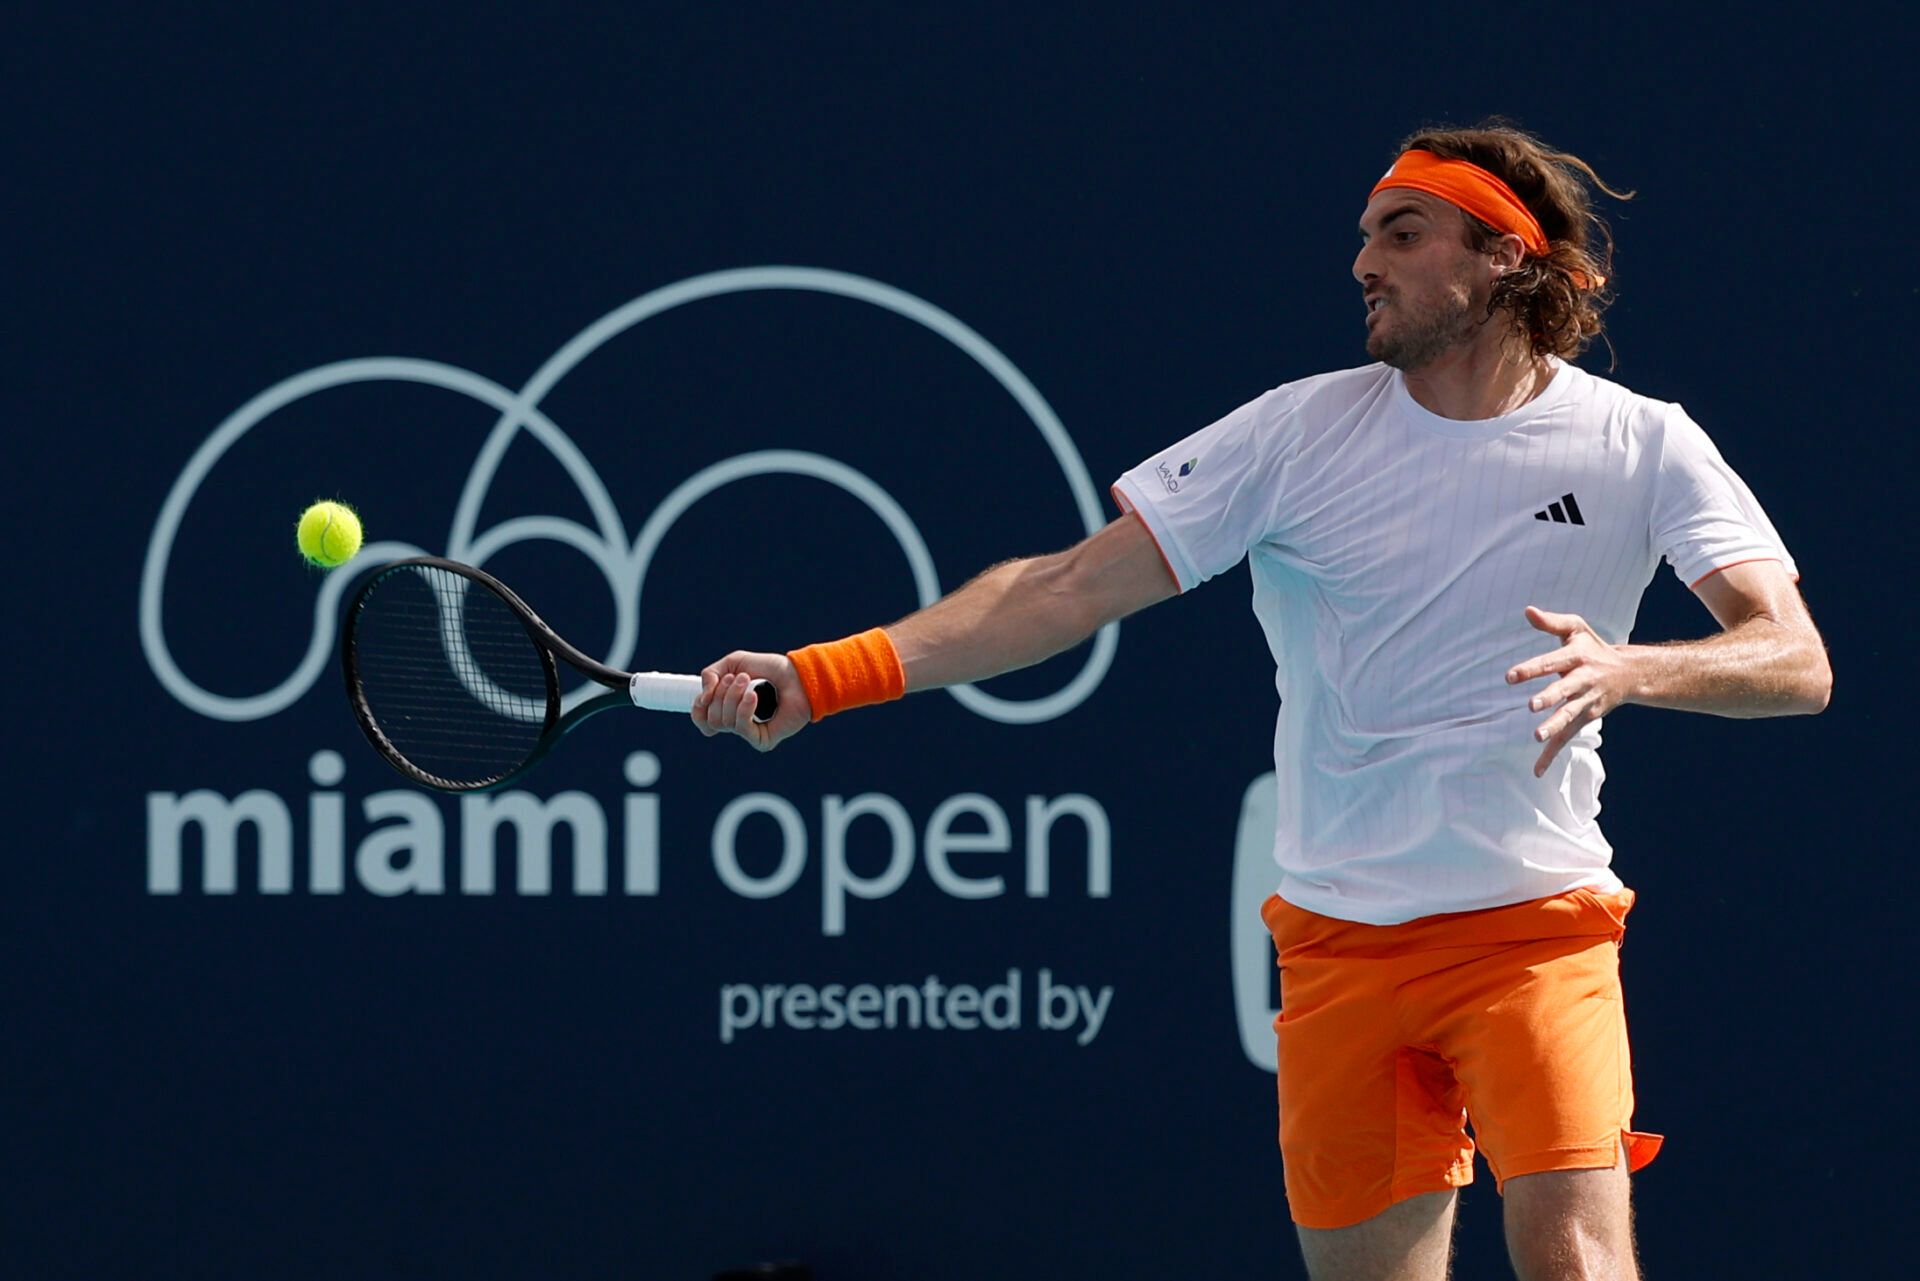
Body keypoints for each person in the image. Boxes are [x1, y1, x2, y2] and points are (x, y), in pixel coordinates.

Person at [689, 122, 1831, 1281]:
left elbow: (1795, 659)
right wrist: (825, 675)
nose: (1363, 264)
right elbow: (1065, 586)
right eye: (1364, 237)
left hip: (1535, 936)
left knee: (1578, 1262)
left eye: (1403, 232)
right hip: (1341, 947)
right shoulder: (1297, 434)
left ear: (1503, 259)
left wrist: (1632, 669)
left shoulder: (1643, 445)